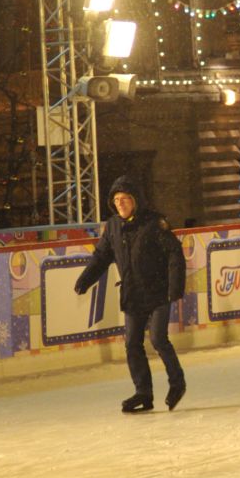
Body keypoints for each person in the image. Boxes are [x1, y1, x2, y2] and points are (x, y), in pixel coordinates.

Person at [73, 174, 187, 414]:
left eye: (125, 198)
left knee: (158, 339)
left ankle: (177, 383)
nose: (121, 203)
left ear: (135, 200)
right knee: (132, 344)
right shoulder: (113, 226)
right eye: (116, 200)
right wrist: (86, 279)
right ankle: (143, 392)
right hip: (133, 294)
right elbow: (101, 256)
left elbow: (174, 253)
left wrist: (174, 287)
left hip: (158, 292)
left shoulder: (154, 222)